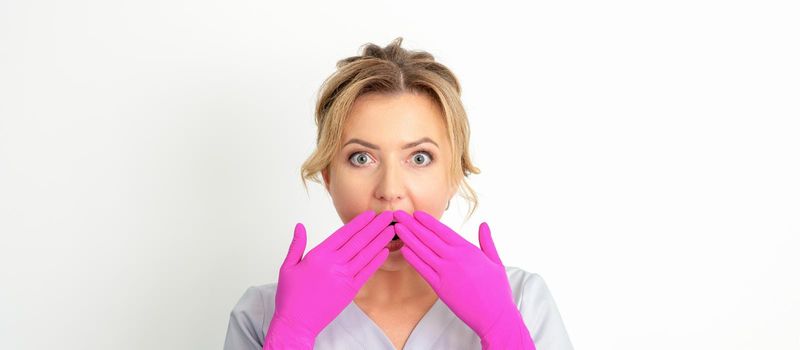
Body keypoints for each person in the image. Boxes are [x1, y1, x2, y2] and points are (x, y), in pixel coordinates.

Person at [223, 37, 574, 350]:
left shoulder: (523, 301)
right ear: (329, 177)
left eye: (419, 158)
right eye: (361, 158)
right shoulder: (262, 315)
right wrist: (291, 333)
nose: (390, 191)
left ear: (454, 174)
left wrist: (503, 330)